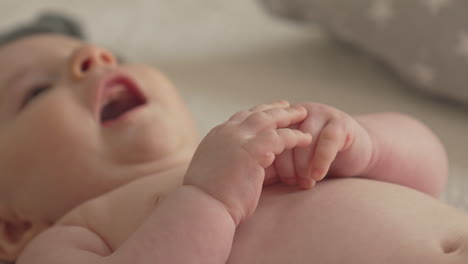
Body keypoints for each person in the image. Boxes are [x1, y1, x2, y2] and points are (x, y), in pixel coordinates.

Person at [0, 14, 466, 264]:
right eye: (36, 91)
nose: (93, 57)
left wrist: (368, 144)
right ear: (11, 225)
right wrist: (208, 199)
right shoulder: (69, 238)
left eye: (111, 57)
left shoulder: (254, 142)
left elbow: (430, 173)